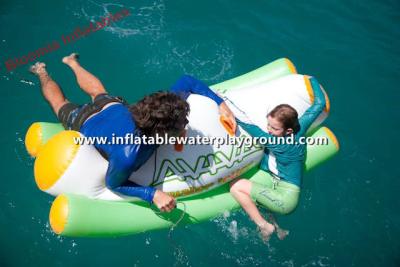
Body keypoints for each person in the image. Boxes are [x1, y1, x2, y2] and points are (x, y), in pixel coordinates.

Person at [30, 53, 236, 212]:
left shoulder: (162, 109)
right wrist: (152, 194)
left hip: (112, 106)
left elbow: (187, 80)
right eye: (181, 125)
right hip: (84, 120)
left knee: (99, 93)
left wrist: (220, 102)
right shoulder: (128, 155)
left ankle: (72, 63)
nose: (185, 125)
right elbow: (114, 183)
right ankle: (42, 71)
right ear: (162, 133)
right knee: (60, 104)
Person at [230, 76, 326, 241]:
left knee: (235, 186)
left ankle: (264, 226)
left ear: (288, 131)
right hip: (283, 188)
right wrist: (313, 80)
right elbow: (319, 105)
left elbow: (249, 127)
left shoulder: (278, 143)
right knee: (263, 200)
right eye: (268, 125)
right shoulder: (300, 127)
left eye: (274, 128)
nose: (268, 130)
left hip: (286, 200)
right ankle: (279, 229)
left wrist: (224, 106)